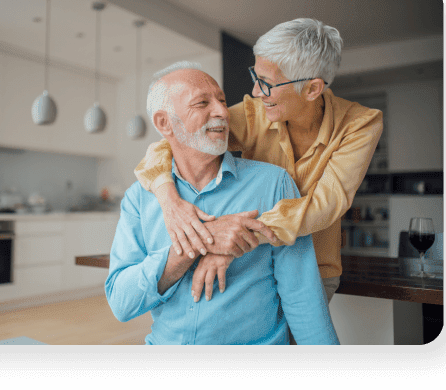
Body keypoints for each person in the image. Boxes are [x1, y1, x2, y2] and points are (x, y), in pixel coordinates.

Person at [134, 18, 383, 313]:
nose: (254, 92)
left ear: (312, 89)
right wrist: (170, 201)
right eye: (256, 75)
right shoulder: (256, 112)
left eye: (267, 83)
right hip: (251, 264)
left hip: (312, 268)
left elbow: (325, 205)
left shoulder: (360, 124)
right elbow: (173, 141)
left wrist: (231, 241)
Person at [105, 62, 339, 345]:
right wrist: (191, 248)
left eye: (222, 100)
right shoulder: (139, 198)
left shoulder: (273, 184)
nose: (221, 112)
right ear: (165, 123)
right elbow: (121, 303)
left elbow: (302, 297)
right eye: (202, 103)